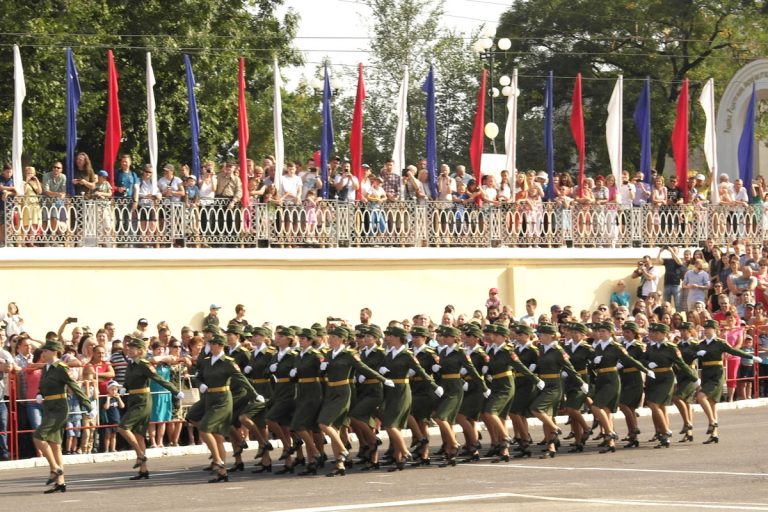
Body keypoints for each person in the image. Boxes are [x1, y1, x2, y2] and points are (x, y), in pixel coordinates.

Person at [316, 326, 389, 476]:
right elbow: (321, 375)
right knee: (334, 428)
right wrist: (322, 369)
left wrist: (383, 379)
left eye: (334, 337)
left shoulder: (349, 354)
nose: (330, 339)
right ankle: (340, 464)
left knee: (323, 423)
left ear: (342, 339)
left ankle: (343, 450)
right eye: (330, 337)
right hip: (330, 392)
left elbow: (364, 368)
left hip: (343, 392)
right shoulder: (329, 354)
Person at [197, 333, 261, 483]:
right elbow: (198, 376)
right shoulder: (207, 361)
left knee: (204, 429)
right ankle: (222, 472)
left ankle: (218, 460)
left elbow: (241, 379)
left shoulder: (228, 362)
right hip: (210, 399)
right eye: (210, 343)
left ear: (220, 346)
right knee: (218, 437)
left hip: (223, 400)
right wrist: (201, 384)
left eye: (214, 344)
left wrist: (254, 394)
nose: (211, 346)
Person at [33, 337, 94, 494]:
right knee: (55, 445)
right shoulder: (46, 368)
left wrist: (87, 404)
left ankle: (55, 468)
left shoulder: (60, 367)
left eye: (45, 350)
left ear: (54, 352)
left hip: (59, 408)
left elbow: (74, 385)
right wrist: (40, 393)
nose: (43, 352)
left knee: (38, 437)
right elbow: (43, 386)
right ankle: (60, 483)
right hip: (48, 407)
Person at [117, 337, 181, 480]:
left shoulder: (144, 364)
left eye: (132, 348)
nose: (129, 349)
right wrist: (124, 387)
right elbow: (128, 380)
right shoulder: (131, 364)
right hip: (133, 400)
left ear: (140, 351)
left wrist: (175, 390)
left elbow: (159, 379)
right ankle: (143, 470)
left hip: (143, 401)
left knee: (123, 427)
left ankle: (140, 455)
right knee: (139, 434)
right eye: (129, 347)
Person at [377, 325, 439, 472]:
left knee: (390, 425)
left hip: (402, 392)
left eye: (390, 336)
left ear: (398, 338)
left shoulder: (407, 355)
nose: (388, 338)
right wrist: (382, 370)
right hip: (391, 391)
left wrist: (435, 386)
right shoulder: (390, 353)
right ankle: (399, 460)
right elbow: (382, 366)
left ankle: (405, 452)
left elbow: (422, 372)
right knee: (395, 426)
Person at [589, 321, 653, 453]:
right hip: (601, 379)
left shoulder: (616, 346)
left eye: (603, 331)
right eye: (599, 331)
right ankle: (610, 442)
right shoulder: (598, 347)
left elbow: (630, 360)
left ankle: (610, 432)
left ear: (610, 332)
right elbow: (594, 365)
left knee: (596, 406)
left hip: (612, 379)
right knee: (605, 410)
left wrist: (646, 370)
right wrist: (594, 364)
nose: (600, 333)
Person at [694, 319, 761, 444]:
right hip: (706, 374)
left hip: (717, 374)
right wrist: (696, 353)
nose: (706, 330)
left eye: (709, 328)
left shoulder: (719, 343)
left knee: (701, 396)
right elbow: (690, 355)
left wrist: (751, 357)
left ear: (714, 330)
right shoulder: (701, 344)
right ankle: (714, 434)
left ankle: (712, 422)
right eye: (705, 328)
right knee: (712, 403)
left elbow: (734, 351)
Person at [430, 325, 488, 467]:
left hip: (455, 388)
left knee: (441, 417)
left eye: (447, 336)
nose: (444, 338)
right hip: (445, 386)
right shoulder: (443, 352)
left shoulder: (460, 352)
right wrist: (437, 369)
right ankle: (451, 452)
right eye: (443, 336)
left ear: (455, 338)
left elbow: (472, 371)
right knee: (447, 419)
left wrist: (484, 387)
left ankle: (458, 444)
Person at [529, 323, 587, 458]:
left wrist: (581, 382)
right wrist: (535, 368)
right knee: (547, 417)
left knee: (536, 408)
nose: (540, 337)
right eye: (539, 334)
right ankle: (551, 447)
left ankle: (555, 429)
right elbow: (541, 366)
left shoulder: (558, 350)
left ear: (551, 336)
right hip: (543, 384)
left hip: (555, 386)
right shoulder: (541, 349)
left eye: (542, 334)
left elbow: (570, 368)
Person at [644, 323, 698, 448]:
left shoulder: (671, 348)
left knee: (653, 404)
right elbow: (642, 359)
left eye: (657, 333)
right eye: (654, 333)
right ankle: (664, 436)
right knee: (661, 407)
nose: (654, 335)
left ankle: (666, 431)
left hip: (665, 378)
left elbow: (682, 364)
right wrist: (648, 363)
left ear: (665, 334)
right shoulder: (651, 347)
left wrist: (694, 378)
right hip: (653, 378)